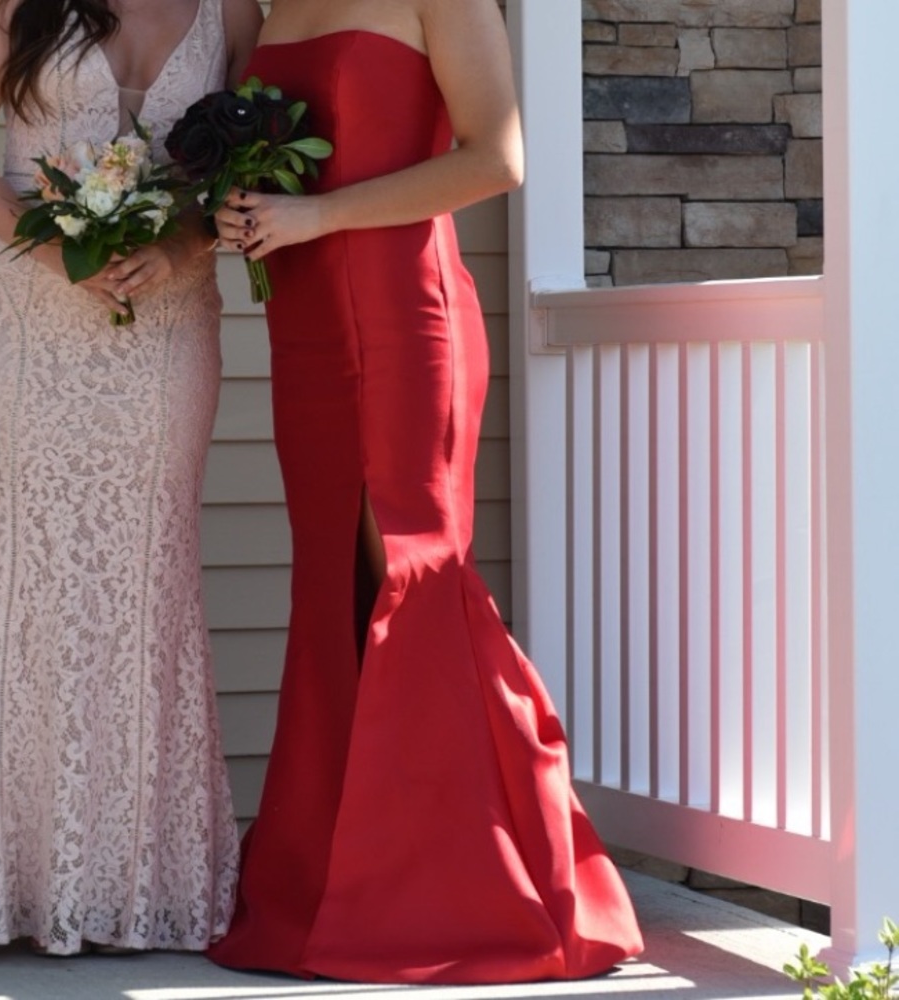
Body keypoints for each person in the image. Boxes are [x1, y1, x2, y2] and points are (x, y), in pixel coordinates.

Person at [207, 0, 644, 984]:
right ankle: (336, 881)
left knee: (414, 579)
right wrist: (242, 206)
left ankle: (481, 883)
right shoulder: (271, 8)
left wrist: (317, 212)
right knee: (335, 589)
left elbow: (496, 157)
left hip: (409, 316)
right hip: (308, 321)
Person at [0, 0, 263, 956]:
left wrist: (184, 244)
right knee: (25, 583)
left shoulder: (234, 12)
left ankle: (141, 883)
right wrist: (55, 249)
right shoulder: (16, 3)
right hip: (21, 320)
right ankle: (17, 887)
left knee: (145, 585)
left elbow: (244, 178)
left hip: (167, 322)